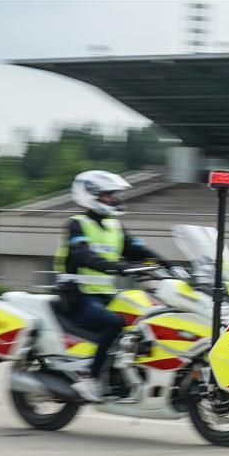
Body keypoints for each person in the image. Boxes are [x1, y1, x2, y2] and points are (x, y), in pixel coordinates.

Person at [54, 170, 167, 402]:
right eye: (108, 195)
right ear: (90, 195)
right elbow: (82, 254)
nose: (114, 199)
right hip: (78, 296)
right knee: (114, 323)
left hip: (106, 295)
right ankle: (90, 378)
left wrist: (168, 265)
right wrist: (114, 266)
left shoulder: (115, 226)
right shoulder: (77, 224)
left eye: (114, 195)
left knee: (143, 317)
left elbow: (138, 250)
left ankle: (123, 378)